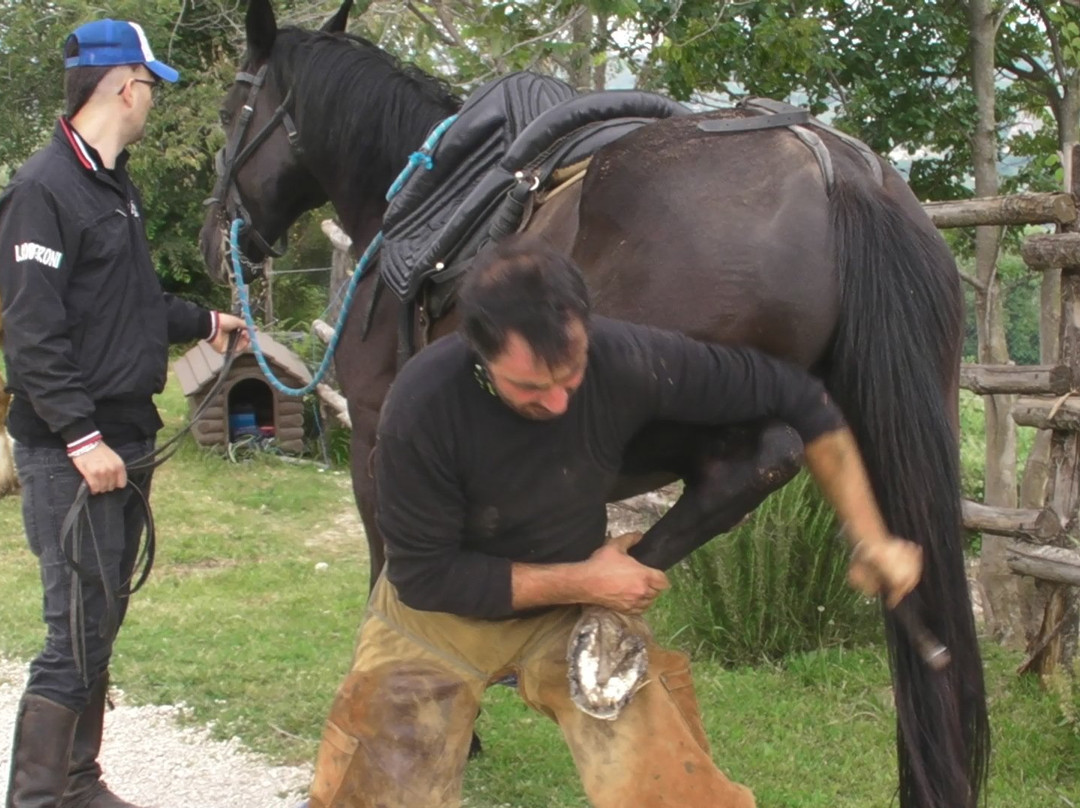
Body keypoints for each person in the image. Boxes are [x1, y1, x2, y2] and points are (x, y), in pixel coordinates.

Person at [304, 236, 922, 808]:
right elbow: (426, 578)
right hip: (433, 623)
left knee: (672, 789)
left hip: (568, 616)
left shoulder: (625, 358)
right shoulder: (422, 403)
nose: (557, 402)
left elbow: (799, 399)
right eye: (529, 386)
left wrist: (870, 535)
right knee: (372, 790)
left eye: (569, 375)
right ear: (478, 350)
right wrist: (588, 581)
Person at [0, 19, 249, 808]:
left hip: (126, 439)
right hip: (73, 450)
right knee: (72, 633)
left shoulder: (116, 187)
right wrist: (80, 436)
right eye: (149, 86)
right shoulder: (42, 191)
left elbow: (128, 302)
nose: (150, 101)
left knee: (98, 624)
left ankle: (77, 780)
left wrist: (205, 323)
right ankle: (40, 798)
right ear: (122, 86)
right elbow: (32, 332)